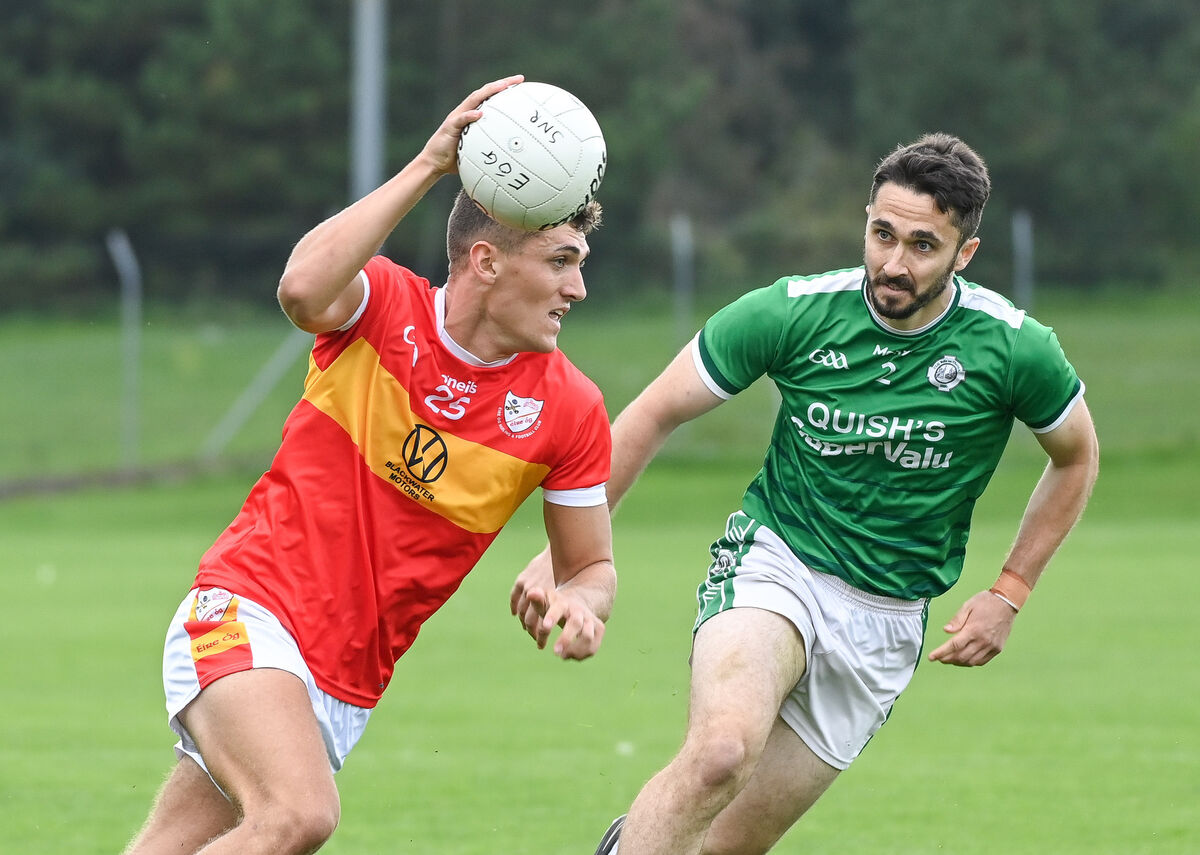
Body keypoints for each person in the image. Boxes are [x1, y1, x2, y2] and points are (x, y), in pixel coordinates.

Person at [512, 132, 1099, 855]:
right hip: (775, 563)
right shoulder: (792, 312)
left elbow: (1077, 457)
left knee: (723, 845)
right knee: (721, 752)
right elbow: (652, 412)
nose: (892, 261)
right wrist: (567, 553)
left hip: (886, 619)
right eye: (882, 233)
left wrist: (1010, 591)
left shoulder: (1012, 347)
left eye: (922, 245)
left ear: (963, 254)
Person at [123, 75, 618, 855]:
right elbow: (301, 286)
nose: (578, 287)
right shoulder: (383, 307)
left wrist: (584, 602)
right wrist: (428, 165)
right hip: (247, 610)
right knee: (298, 815)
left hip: (343, 687)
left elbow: (590, 564)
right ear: (486, 262)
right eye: (561, 261)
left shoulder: (571, 409)